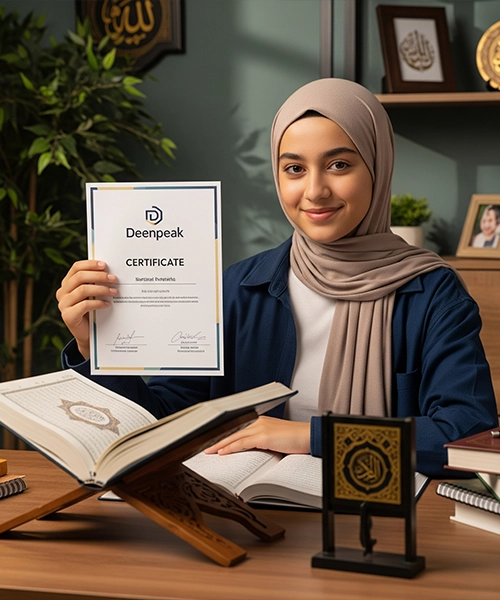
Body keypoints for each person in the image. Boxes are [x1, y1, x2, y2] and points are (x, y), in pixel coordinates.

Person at [57, 78, 498, 479]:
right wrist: (95, 347)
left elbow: (467, 436)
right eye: (294, 169)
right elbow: (166, 420)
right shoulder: (238, 289)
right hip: (252, 523)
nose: (315, 190)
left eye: (340, 165)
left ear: (378, 168)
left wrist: (308, 437)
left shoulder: (432, 293)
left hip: (380, 525)